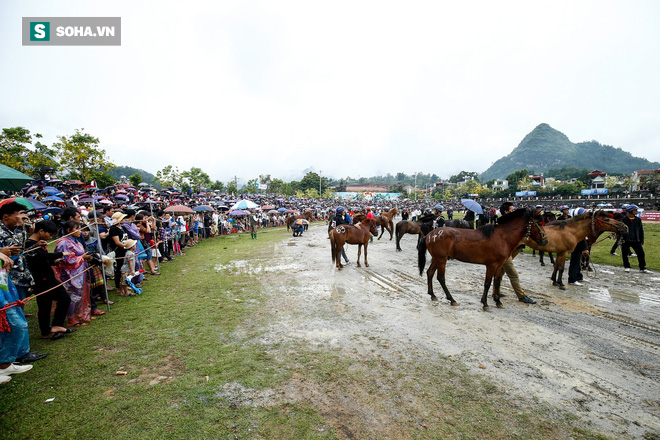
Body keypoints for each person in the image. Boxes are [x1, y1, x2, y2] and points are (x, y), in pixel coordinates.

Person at [24, 220, 73, 340]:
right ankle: (50, 329)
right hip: (41, 279)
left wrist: (54, 261)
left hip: (47, 277)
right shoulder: (29, 245)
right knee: (50, 303)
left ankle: (52, 327)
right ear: (41, 231)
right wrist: (61, 254)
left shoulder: (38, 243)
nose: (50, 237)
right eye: (49, 234)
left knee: (54, 302)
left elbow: (43, 259)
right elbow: (40, 257)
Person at [55, 221, 93, 327]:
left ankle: (79, 315)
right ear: (69, 230)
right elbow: (67, 260)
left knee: (79, 295)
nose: (80, 231)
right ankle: (71, 319)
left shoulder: (75, 241)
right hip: (70, 274)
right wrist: (82, 258)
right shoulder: (64, 243)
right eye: (78, 229)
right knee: (72, 296)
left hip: (79, 272)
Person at [499, 202, 537, 304]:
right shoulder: (504, 223)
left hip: (506, 252)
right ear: (506, 212)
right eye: (512, 210)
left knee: (500, 272)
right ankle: (521, 295)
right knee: (513, 275)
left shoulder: (509, 223)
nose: (513, 212)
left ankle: (496, 291)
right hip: (504, 253)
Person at [0, 202, 34, 302]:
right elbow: (17, 248)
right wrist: (19, 225)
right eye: (19, 216)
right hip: (7, 280)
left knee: (19, 305)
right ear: (5, 217)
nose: (22, 219)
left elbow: (21, 249)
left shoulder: (15, 230)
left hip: (20, 277)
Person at [621, 205, 652, 274]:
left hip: (636, 240)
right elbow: (620, 230)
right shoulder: (624, 220)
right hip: (626, 240)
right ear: (631, 211)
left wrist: (642, 239)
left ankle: (642, 268)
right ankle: (627, 267)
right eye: (635, 210)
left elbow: (641, 230)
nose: (637, 211)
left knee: (641, 253)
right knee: (625, 254)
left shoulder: (638, 220)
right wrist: (619, 238)